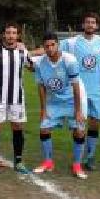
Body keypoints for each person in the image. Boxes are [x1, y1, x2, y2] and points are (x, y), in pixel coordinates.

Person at [31, 33, 88, 179]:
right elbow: (41, 87)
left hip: (72, 99)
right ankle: (48, 162)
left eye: (52, 45)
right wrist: (43, 110)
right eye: (47, 46)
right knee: (44, 128)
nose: (50, 48)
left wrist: (78, 111)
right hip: (54, 101)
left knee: (79, 131)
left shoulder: (69, 60)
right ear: (43, 47)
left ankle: (77, 165)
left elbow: (76, 87)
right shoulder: (39, 63)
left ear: (58, 45)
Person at [58, 13, 100, 171]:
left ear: (97, 26)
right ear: (83, 25)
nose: (90, 25)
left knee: (94, 125)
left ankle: (90, 157)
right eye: (87, 22)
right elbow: (51, 47)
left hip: (98, 91)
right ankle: (78, 159)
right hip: (78, 90)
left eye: (93, 22)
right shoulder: (72, 43)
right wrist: (28, 53)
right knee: (79, 127)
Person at [0, 22, 33, 175]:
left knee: (17, 126)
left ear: (18, 35)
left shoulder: (23, 52)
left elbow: (32, 67)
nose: (11, 35)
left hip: (17, 97)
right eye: (8, 32)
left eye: (14, 33)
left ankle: (18, 160)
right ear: (4, 34)